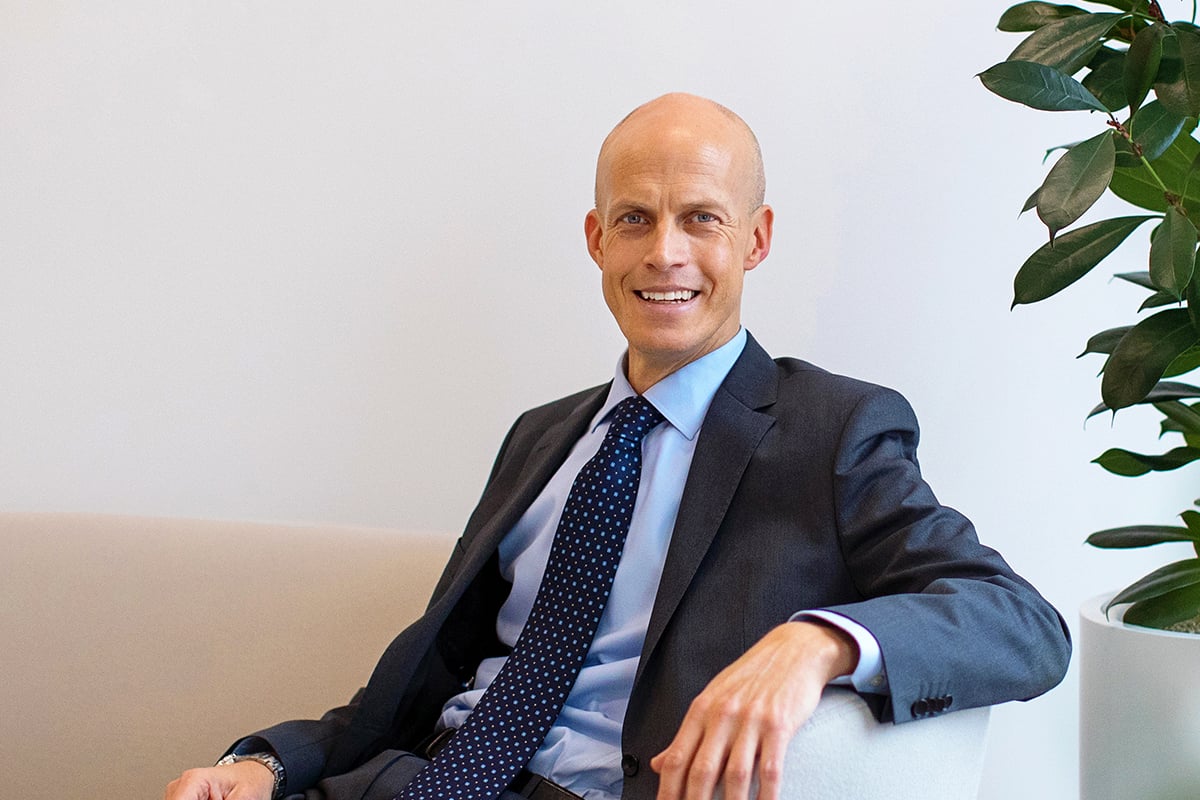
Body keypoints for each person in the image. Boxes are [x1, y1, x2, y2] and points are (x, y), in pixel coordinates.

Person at [164, 93, 1071, 800]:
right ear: (597, 240)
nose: (664, 253)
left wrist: (818, 642)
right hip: (413, 778)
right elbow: (418, 683)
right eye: (635, 219)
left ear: (755, 240)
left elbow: (1020, 624)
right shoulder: (540, 436)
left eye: (702, 219)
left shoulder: (834, 430)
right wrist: (269, 764)